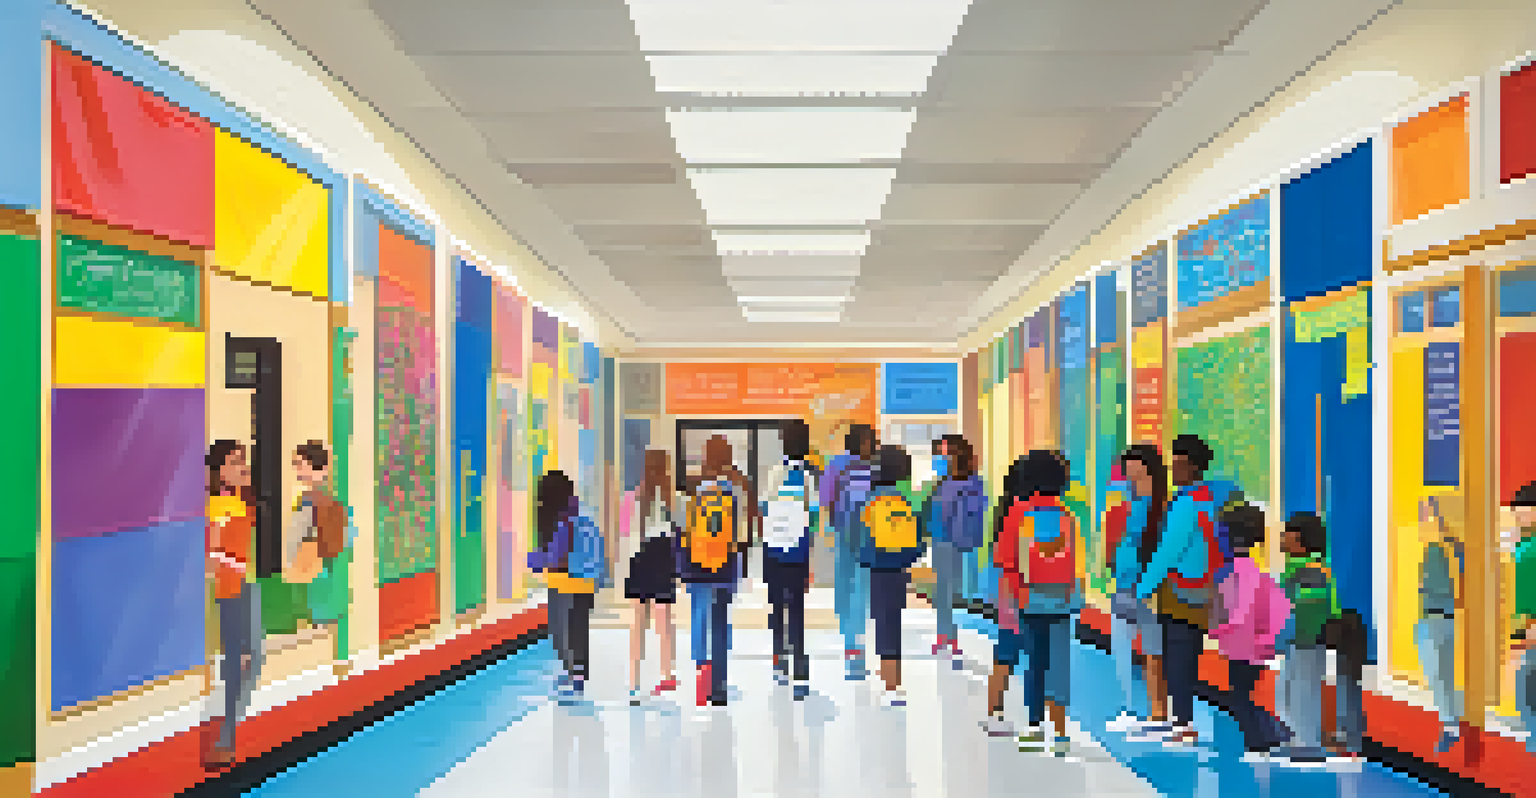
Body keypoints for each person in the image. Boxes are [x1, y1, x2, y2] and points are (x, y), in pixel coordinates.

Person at [983, 450, 1082, 757]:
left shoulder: (1018, 512)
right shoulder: (1067, 515)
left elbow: (1004, 559)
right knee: (1059, 666)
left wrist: (1013, 597)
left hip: (1029, 601)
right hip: (1062, 602)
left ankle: (1035, 727)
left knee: (1035, 666)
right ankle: (1062, 734)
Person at [1133, 434, 1226, 747]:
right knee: (1186, 656)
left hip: (1182, 591)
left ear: (1193, 467)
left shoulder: (1186, 503)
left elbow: (1168, 551)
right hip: (1204, 589)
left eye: (1180, 464)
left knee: (1179, 659)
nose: (1174, 469)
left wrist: (1144, 587)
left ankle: (1184, 724)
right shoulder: (1209, 500)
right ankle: (1181, 721)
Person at [1208, 502, 1293, 758]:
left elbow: (1239, 609)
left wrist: (1222, 628)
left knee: (1240, 697)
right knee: (1244, 694)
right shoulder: (1257, 572)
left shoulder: (1237, 571)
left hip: (1243, 646)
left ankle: (1259, 743)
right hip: (1253, 645)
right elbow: (1280, 608)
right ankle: (1270, 736)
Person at [679, 436, 750, 707]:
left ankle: (701, 676)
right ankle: (718, 686)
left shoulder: (694, 491)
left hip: (698, 564)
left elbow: (685, 531)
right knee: (720, 622)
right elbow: (741, 535)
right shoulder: (733, 492)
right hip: (724, 565)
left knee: (699, 614)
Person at [1105, 445, 1170, 737]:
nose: (1131, 479)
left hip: (1147, 587)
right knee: (1125, 648)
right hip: (1125, 583)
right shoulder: (1128, 504)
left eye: (1136, 472)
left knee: (1152, 650)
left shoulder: (1163, 508)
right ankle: (1134, 708)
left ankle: (1156, 712)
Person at [204, 441, 262, 768]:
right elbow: (214, 553)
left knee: (250, 655)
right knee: (238, 657)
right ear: (219, 469)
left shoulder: (240, 502)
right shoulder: (218, 505)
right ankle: (226, 737)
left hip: (247, 584)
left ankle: (230, 730)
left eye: (244, 460)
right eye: (235, 461)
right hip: (232, 588)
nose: (243, 466)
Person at [858, 445, 928, 707]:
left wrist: (868, 559)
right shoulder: (906, 500)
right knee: (894, 624)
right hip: (899, 570)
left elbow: (861, 541)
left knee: (883, 625)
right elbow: (919, 541)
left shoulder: (870, 500)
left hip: (878, 571)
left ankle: (890, 685)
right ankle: (895, 682)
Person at [528, 470, 606, 703]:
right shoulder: (583, 515)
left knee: (561, 628)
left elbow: (556, 556)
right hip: (585, 580)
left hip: (565, 581)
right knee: (577, 627)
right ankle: (577, 672)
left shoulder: (563, 519)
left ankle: (574, 672)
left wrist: (534, 560)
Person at [760, 419, 819, 700]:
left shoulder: (774, 474)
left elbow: (763, 511)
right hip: (798, 551)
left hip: (773, 550)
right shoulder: (808, 478)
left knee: (776, 605)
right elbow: (814, 519)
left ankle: (778, 659)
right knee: (796, 607)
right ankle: (799, 666)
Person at [1274, 511, 1338, 762]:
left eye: (1288, 530)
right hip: (1297, 643)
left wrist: (1281, 636)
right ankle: (1297, 739)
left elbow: (1304, 611)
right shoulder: (1299, 569)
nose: (1282, 535)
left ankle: (1307, 743)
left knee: (1303, 692)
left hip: (1307, 642)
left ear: (1300, 538)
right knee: (1289, 690)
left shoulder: (1311, 571)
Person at [285, 441, 352, 662]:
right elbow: (348, 538)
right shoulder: (335, 500)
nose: (297, 470)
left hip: (313, 568)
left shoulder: (307, 501)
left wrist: (287, 562)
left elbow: (294, 539)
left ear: (316, 467)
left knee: (315, 622)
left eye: (299, 464)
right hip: (331, 569)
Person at [624, 450, 683, 703]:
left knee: (638, 623)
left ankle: (634, 682)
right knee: (664, 621)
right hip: (663, 558)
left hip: (639, 558)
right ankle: (666, 675)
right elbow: (680, 533)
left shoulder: (635, 497)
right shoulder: (674, 498)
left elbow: (626, 535)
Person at [927, 434, 986, 662]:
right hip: (957, 543)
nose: (938, 459)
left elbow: (946, 516)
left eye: (942, 454)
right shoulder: (970, 483)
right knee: (948, 591)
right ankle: (948, 636)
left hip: (950, 543)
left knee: (947, 591)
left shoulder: (953, 485)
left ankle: (948, 636)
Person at [1414, 495, 1465, 752]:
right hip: (1438, 615)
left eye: (1428, 512)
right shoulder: (1447, 547)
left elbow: (1436, 587)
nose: (1424, 518)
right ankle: (1451, 722)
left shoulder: (1439, 547)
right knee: (1441, 672)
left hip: (1439, 615)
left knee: (1440, 672)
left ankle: (1451, 724)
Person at [830, 424, 879, 680]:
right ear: (862, 442)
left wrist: (834, 522)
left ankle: (847, 637)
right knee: (861, 586)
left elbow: (827, 497)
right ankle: (855, 645)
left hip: (843, 529)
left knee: (844, 584)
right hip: (867, 533)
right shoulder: (873, 467)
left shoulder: (837, 464)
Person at [1508, 482, 1536, 751]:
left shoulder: (1528, 549)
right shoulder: (1524, 545)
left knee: (1527, 695)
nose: (1517, 513)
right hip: (1526, 630)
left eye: (1521, 509)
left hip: (1531, 631)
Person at [1322, 608, 1368, 761]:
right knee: (1350, 692)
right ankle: (1351, 743)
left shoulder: (1346, 621)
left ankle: (1351, 745)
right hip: (1352, 649)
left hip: (1348, 645)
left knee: (1348, 693)